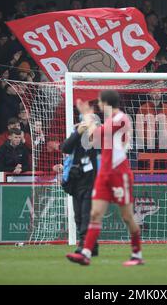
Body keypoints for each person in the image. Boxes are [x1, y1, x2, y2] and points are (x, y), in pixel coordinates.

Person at [66, 90, 143, 266]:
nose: (98, 105)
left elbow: (97, 135)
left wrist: (87, 116)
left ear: (106, 103)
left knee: (127, 217)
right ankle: (85, 253)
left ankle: (137, 254)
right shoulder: (110, 120)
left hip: (119, 173)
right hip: (104, 174)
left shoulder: (122, 119)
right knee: (95, 213)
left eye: (100, 102)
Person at [61, 99, 101, 257]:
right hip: (77, 180)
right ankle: (93, 245)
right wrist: (77, 132)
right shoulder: (77, 136)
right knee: (78, 215)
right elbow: (65, 148)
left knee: (86, 214)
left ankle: (85, 244)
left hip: (92, 181)